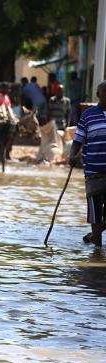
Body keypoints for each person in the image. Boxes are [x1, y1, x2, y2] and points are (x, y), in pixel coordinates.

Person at [69, 81, 106, 248]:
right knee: (96, 214)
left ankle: (94, 236)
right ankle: (97, 251)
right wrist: (72, 155)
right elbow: (77, 141)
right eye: (105, 92)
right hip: (93, 173)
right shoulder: (88, 115)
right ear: (98, 95)